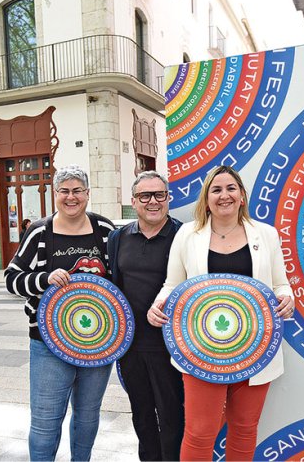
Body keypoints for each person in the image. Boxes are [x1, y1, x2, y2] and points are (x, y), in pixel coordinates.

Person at [147, 165, 295, 461]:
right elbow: (173, 285)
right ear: (206, 198)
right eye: (216, 189)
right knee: (200, 431)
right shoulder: (188, 234)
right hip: (201, 349)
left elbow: (281, 284)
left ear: (242, 196)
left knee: (244, 428)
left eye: (230, 188)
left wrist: (286, 298)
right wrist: (158, 305)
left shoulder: (265, 234)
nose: (224, 195)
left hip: (255, 347)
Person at [5, 164, 115, 461]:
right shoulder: (39, 231)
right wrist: (44, 279)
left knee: (88, 416)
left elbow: (121, 278)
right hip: (47, 343)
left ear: (87, 194)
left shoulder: (104, 231)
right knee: (45, 421)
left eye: (77, 190)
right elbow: (11, 279)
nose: (71, 197)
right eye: (64, 191)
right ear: (55, 194)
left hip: (99, 342)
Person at [107, 171, 184, 461]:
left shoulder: (183, 235)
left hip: (171, 346)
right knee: (141, 415)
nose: (153, 201)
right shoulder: (118, 238)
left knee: (172, 416)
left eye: (159, 195)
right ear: (134, 201)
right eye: (145, 196)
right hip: (130, 347)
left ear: (168, 198)